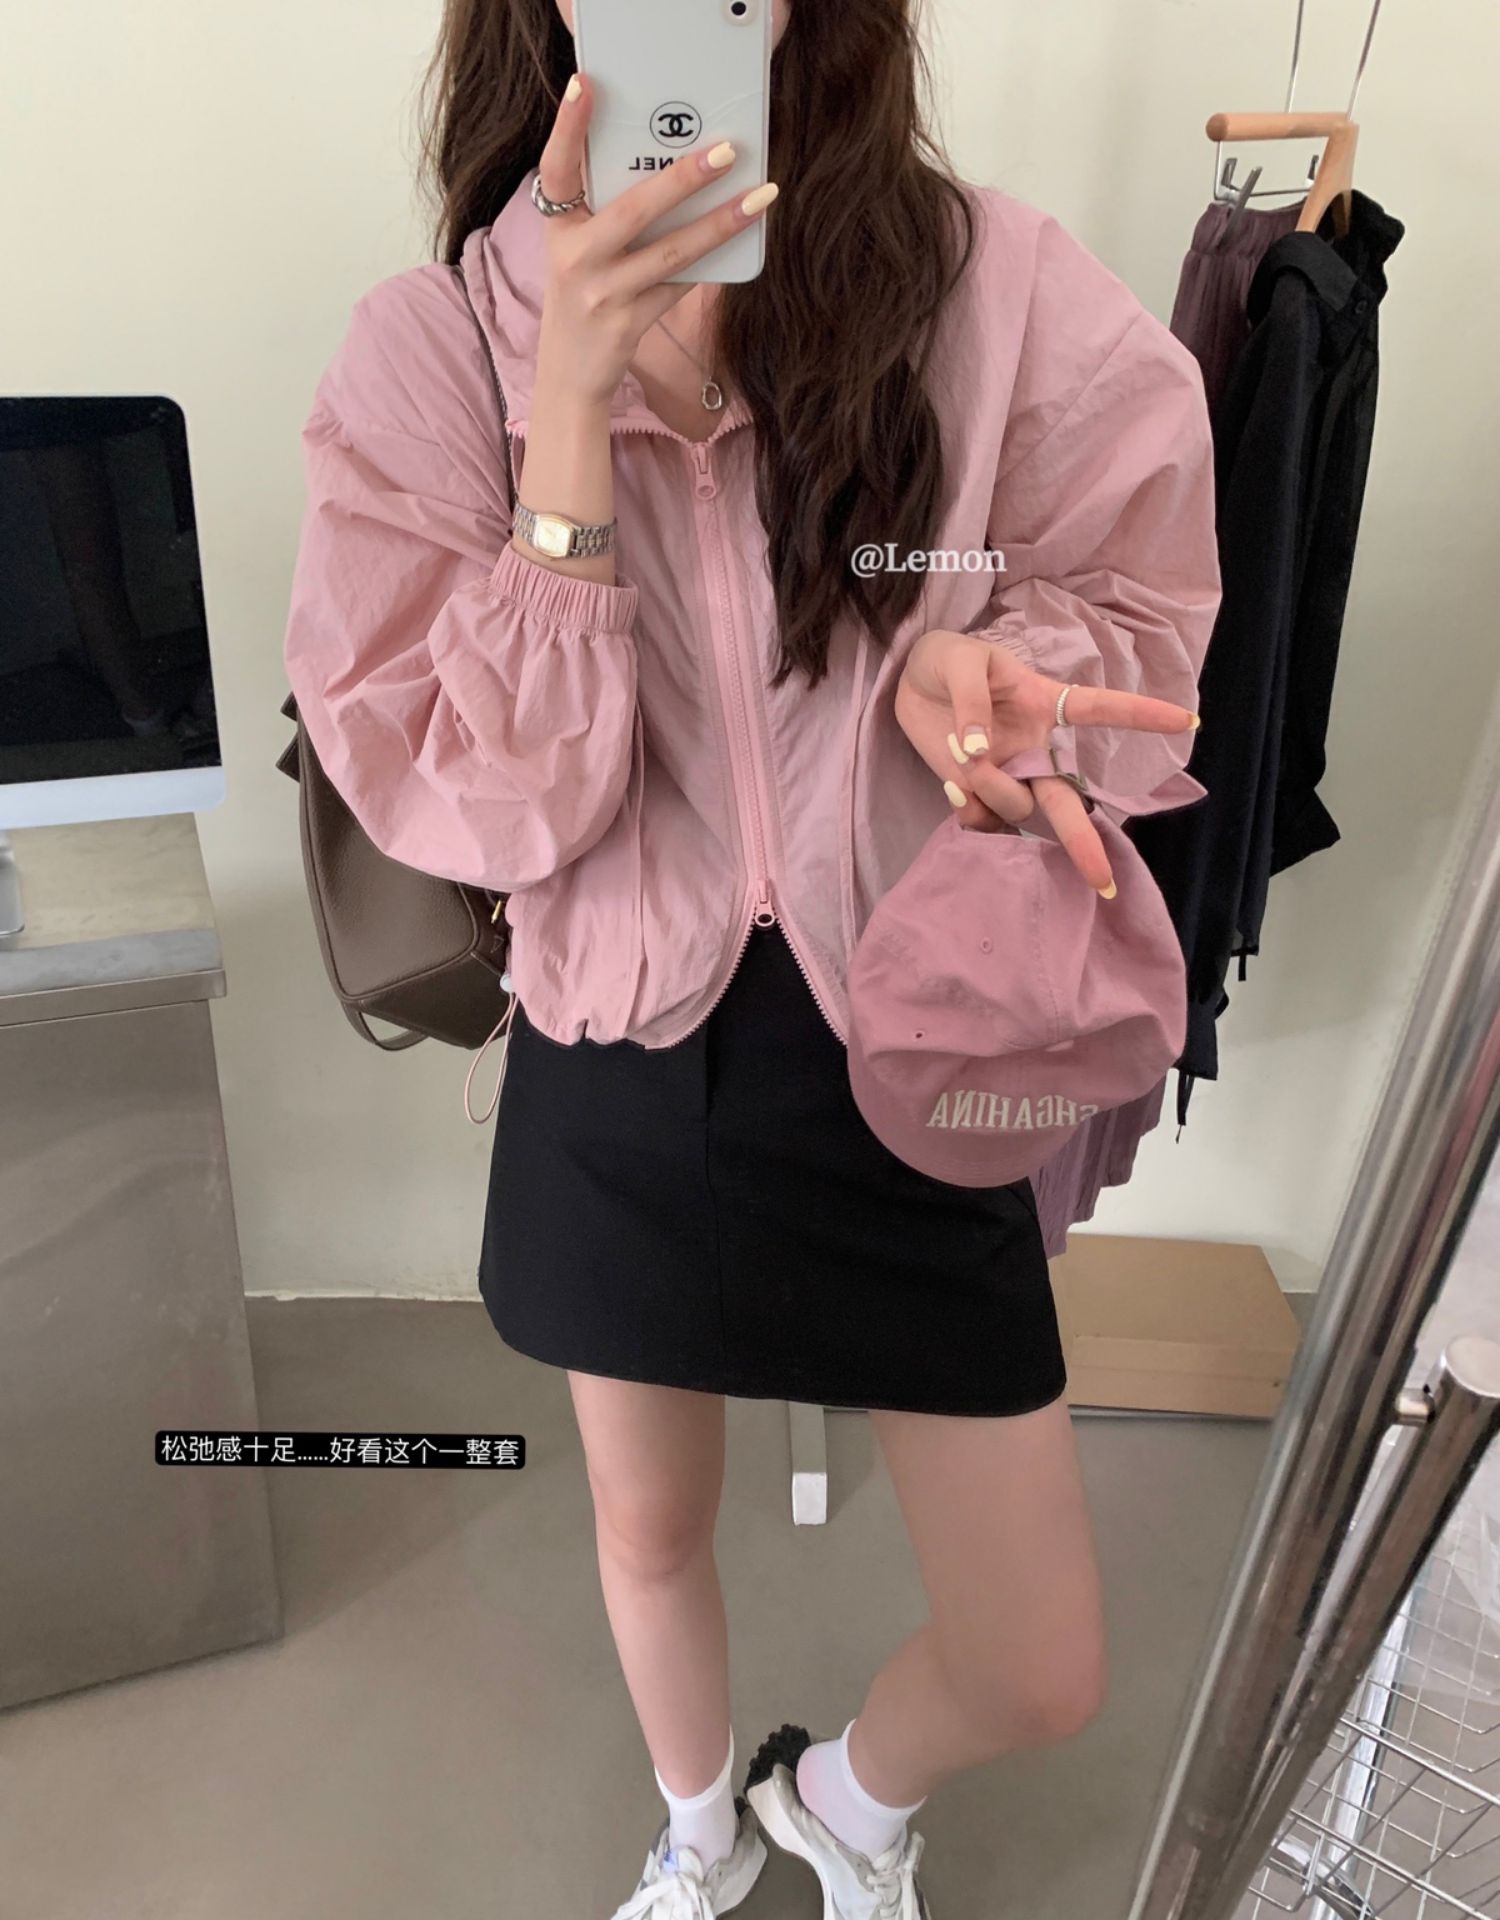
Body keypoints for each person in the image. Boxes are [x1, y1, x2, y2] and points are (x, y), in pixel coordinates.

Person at [281, 3, 1221, 1913]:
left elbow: (1133, 590)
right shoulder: (433, 350)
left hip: (919, 1031)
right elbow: (489, 804)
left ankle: (844, 1804)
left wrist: (990, 673)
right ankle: (700, 1837)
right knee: (649, 1531)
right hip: (622, 1043)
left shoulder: (989, 289)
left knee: (1040, 1658)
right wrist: (569, 410)